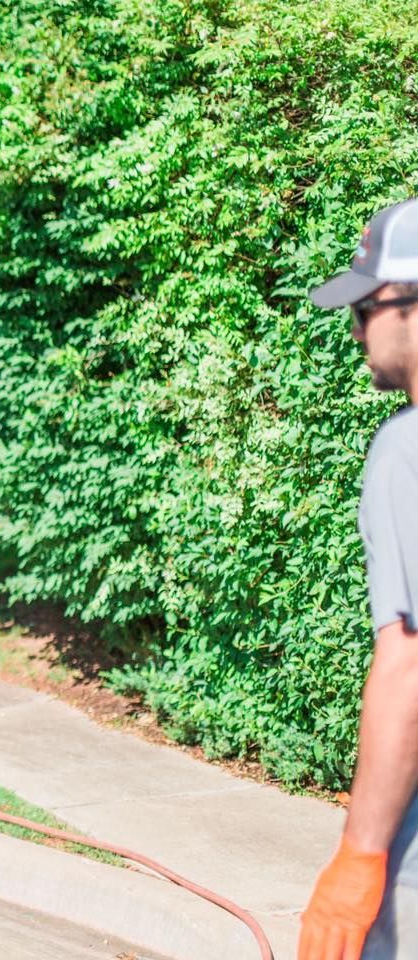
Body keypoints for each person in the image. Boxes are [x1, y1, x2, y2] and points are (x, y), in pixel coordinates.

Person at [302, 198, 418, 960]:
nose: (355, 330)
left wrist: (360, 856)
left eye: (366, 307)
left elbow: (409, 664)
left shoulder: (407, 451)